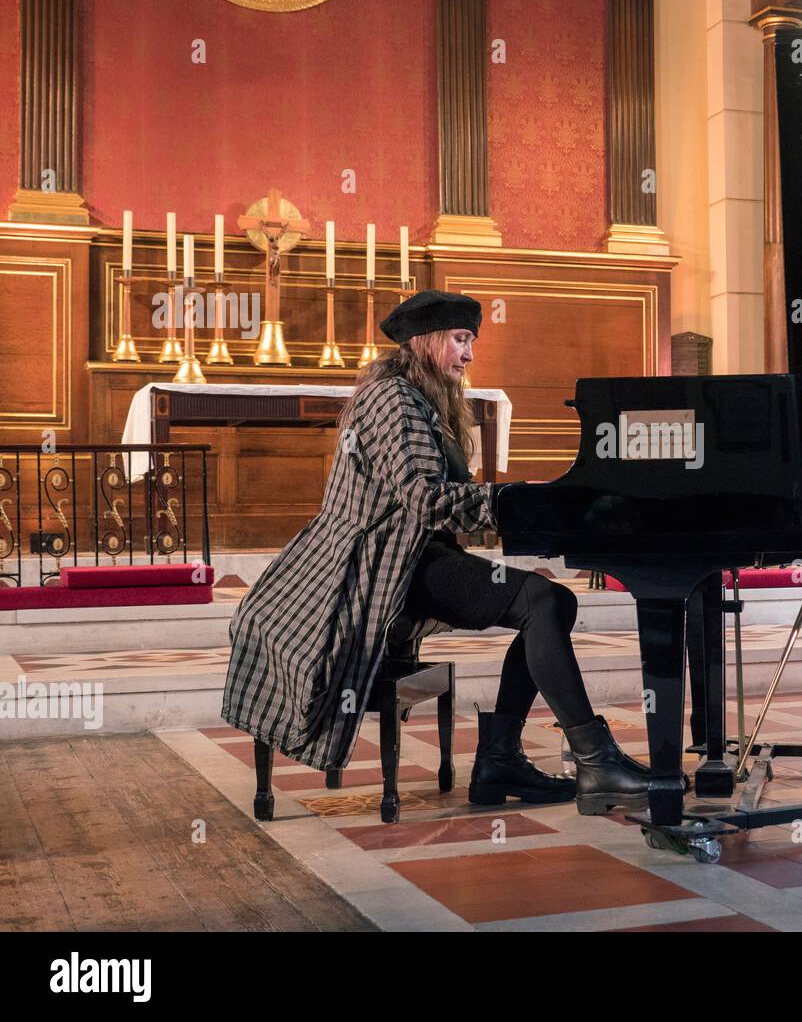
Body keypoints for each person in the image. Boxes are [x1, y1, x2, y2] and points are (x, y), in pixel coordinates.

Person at [221, 290, 653, 816]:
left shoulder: (414, 398)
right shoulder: (393, 399)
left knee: (550, 603)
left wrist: (527, 507)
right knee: (544, 602)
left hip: (412, 558)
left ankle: (504, 759)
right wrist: (518, 500)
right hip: (380, 571)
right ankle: (587, 759)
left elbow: (436, 502)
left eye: (470, 340)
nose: (468, 355)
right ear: (424, 342)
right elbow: (425, 498)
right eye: (460, 339)